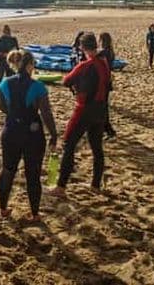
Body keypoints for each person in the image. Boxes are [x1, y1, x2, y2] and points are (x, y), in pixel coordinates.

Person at [0, 50, 57, 220]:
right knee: (33, 174)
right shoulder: (38, 87)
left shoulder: (4, 83)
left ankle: (3, 209)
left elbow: (0, 105)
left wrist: (14, 115)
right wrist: (53, 135)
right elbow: (46, 114)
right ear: (30, 65)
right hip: (33, 134)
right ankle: (35, 214)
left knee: (8, 171)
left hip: (11, 132)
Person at [50, 33, 110, 196]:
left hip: (84, 110)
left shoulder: (85, 65)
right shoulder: (104, 63)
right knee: (97, 148)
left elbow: (66, 81)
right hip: (101, 110)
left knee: (68, 145)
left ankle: (60, 187)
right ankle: (95, 185)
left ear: (82, 48)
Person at [97, 32, 116, 139]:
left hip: (102, 82)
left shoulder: (103, 52)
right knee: (103, 105)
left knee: (102, 107)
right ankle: (107, 129)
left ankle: (109, 130)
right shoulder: (110, 51)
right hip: (107, 80)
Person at [0, 25, 19, 92]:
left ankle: (10, 92)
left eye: (8, 31)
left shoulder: (13, 40)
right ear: (3, 32)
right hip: (2, 61)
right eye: (6, 31)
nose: (7, 33)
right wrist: (2, 54)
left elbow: (17, 50)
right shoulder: (0, 40)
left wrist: (13, 54)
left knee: (11, 78)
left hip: (11, 62)